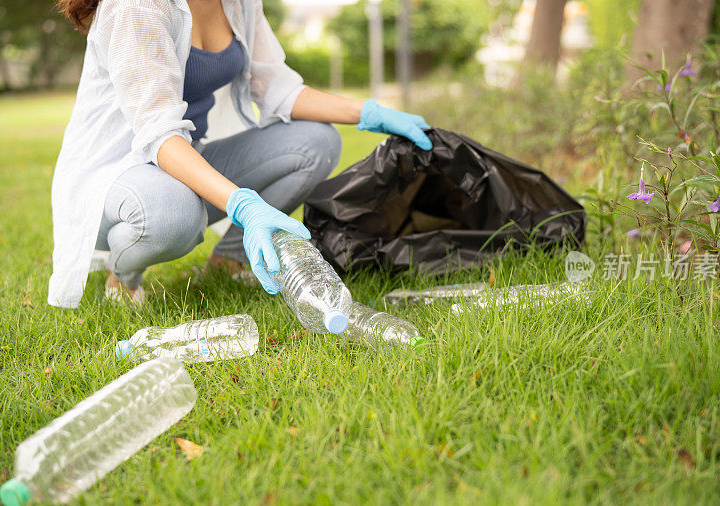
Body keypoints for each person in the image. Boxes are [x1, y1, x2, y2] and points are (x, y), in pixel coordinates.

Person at [48, 0, 432, 308]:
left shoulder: (240, 3)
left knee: (316, 142)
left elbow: (279, 89)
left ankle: (229, 261)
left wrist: (369, 112)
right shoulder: (138, 6)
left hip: (183, 161)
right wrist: (243, 204)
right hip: (112, 182)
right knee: (173, 214)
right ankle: (123, 275)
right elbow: (159, 136)